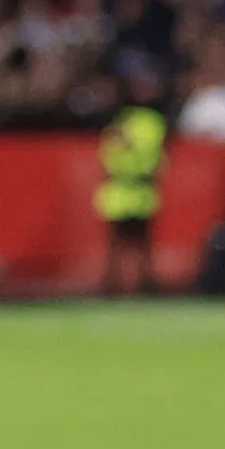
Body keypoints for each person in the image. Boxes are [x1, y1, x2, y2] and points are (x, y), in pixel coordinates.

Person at [96, 83, 166, 295]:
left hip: (139, 189)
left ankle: (145, 283)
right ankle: (113, 283)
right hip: (121, 190)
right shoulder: (121, 121)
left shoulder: (150, 122)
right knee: (118, 243)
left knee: (141, 243)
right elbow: (108, 154)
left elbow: (153, 156)